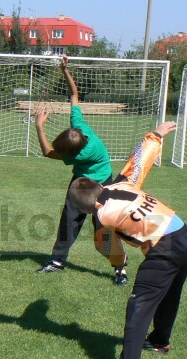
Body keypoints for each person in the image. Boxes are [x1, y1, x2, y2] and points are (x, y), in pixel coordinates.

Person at [68, 121, 187, 359]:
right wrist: (156, 135)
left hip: (166, 248)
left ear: (85, 208)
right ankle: (160, 341)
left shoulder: (103, 219)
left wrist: (120, 262)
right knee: (169, 294)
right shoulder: (121, 185)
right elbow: (138, 162)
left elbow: (108, 248)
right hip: (186, 235)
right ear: (99, 187)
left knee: (140, 304)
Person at [34, 54, 128, 285]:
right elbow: (74, 95)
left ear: (73, 152)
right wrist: (65, 69)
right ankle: (57, 261)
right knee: (69, 221)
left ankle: (120, 269)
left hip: (102, 185)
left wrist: (39, 125)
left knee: (103, 229)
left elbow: (47, 152)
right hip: (81, 182)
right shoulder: (80, 127)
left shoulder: (81, 153)